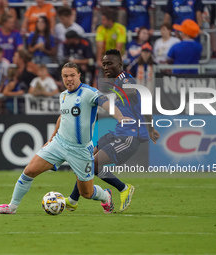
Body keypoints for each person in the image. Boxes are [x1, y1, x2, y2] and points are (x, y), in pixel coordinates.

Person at [0, 62, 130, 214]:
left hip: (80, 150)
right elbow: (63, 117)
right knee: (29, 170)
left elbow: (106, 103)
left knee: (86, 193)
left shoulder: (89, 92)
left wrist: (120, 117)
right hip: (59, 143)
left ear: (79, 76)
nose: (68, 79)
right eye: (65, 76)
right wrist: (51, 139)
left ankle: (105, 196)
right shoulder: (63, 95)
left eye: (72, 75)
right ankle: (12, 207)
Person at [65, 49, 160, 213]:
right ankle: (73, 200)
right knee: (85, 162)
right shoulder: (118, 81)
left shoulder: (125, 80)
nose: (106, 67)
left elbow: (144, 100)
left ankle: (124, 188)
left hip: (129, 136)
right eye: (104, 64)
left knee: (92, 164)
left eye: (110, 63)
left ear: (120, 64)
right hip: (117, 132)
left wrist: (150, 128)